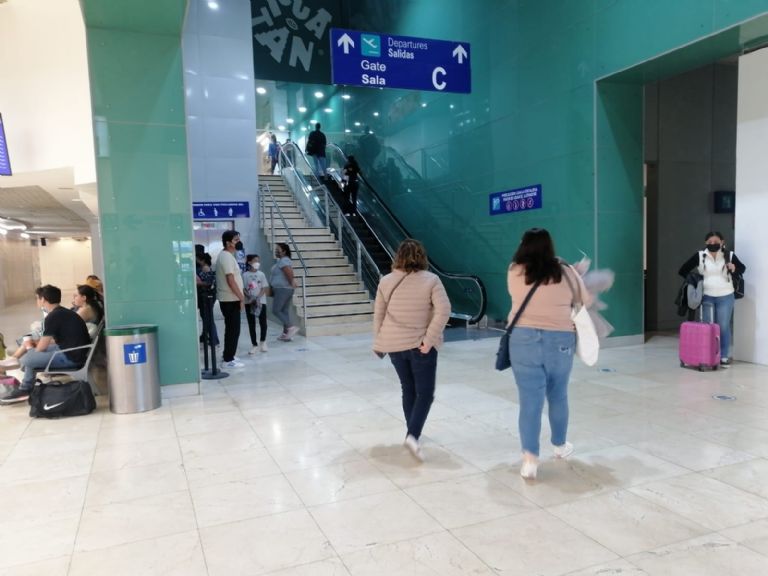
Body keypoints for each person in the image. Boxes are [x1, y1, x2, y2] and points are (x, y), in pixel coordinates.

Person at [506, 228, 591, 480]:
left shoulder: (514, 270)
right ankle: (560, 446)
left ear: (523, 245)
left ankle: (530, 460)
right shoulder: (566, 271)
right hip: (560, 339)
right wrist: (575, 274)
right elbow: (584, 300)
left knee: (529, 401)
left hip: (522, 340)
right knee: (558, 395)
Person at [372, 239, 450, 462]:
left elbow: (378, 315)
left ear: (398, 257)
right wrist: (429, 339)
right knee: (425, 393)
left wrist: (380, 341)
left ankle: (411, 432)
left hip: (394, 345)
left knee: (408, 388)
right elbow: (444, 310)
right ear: (421, 257)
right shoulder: (431, 280)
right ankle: (413, 436)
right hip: (420, 345)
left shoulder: (386, 281)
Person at [0, 285, 91, 405]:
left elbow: (41, 347)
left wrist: (31, 348)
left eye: (37, 298)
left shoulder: (52, 317)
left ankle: (24, 385)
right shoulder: (63, 312)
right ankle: (24, 384)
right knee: (31, 354)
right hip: (74, 352)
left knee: (28, 358)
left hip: (71, 357)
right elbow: (55, 340)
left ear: (43, 299)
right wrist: (33, 345)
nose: (37, 301)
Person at [678, 231, 746, 366]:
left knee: (723, 326)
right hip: (707, 296)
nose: (713, 244)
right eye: (709, 242)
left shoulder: (730, 255)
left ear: (722, 242)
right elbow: (683, 270)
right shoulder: (700, 255)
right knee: (708, 327)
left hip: (726, 295)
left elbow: (742, 268)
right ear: (706, 243)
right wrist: (695, 281)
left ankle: (724, 356)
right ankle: (708, 355)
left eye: (716, 242)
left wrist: (734, 268)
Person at [215, 230, 246, 368]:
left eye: (239, 239)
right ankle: (228, 360)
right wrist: (241, 298)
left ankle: (229, 355)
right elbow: (230, 280)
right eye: (235, 240)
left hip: (231, 299)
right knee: (233, 330)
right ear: (228, 243)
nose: (238, 242)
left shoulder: (227, 256)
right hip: (230, 299)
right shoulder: (226, 257)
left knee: (232, 329)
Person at [269, 242, 300, 341]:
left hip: (282, 289)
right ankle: (286, 334)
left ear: (284, 251)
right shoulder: (282, 261)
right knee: (284, 311)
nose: (276, 251)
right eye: (275, 249)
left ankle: (290, 327)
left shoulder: (284, 260)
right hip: (284, 289)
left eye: (278, 249)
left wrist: (291, 281)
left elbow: (288, 272)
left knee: (276, 310)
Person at [243, 254, 269, 354]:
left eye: (258, 261)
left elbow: (264, 287)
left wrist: (258, 297)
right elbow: (243, 288)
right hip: (249, 302)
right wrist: (250, 297)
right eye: (255, 261)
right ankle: (254, 344)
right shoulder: (245, 275)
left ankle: (263, 342)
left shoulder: (261, 274)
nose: (257, 263)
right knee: (251, 324)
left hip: (261, 301)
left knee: (263, 322)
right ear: (249, 262)